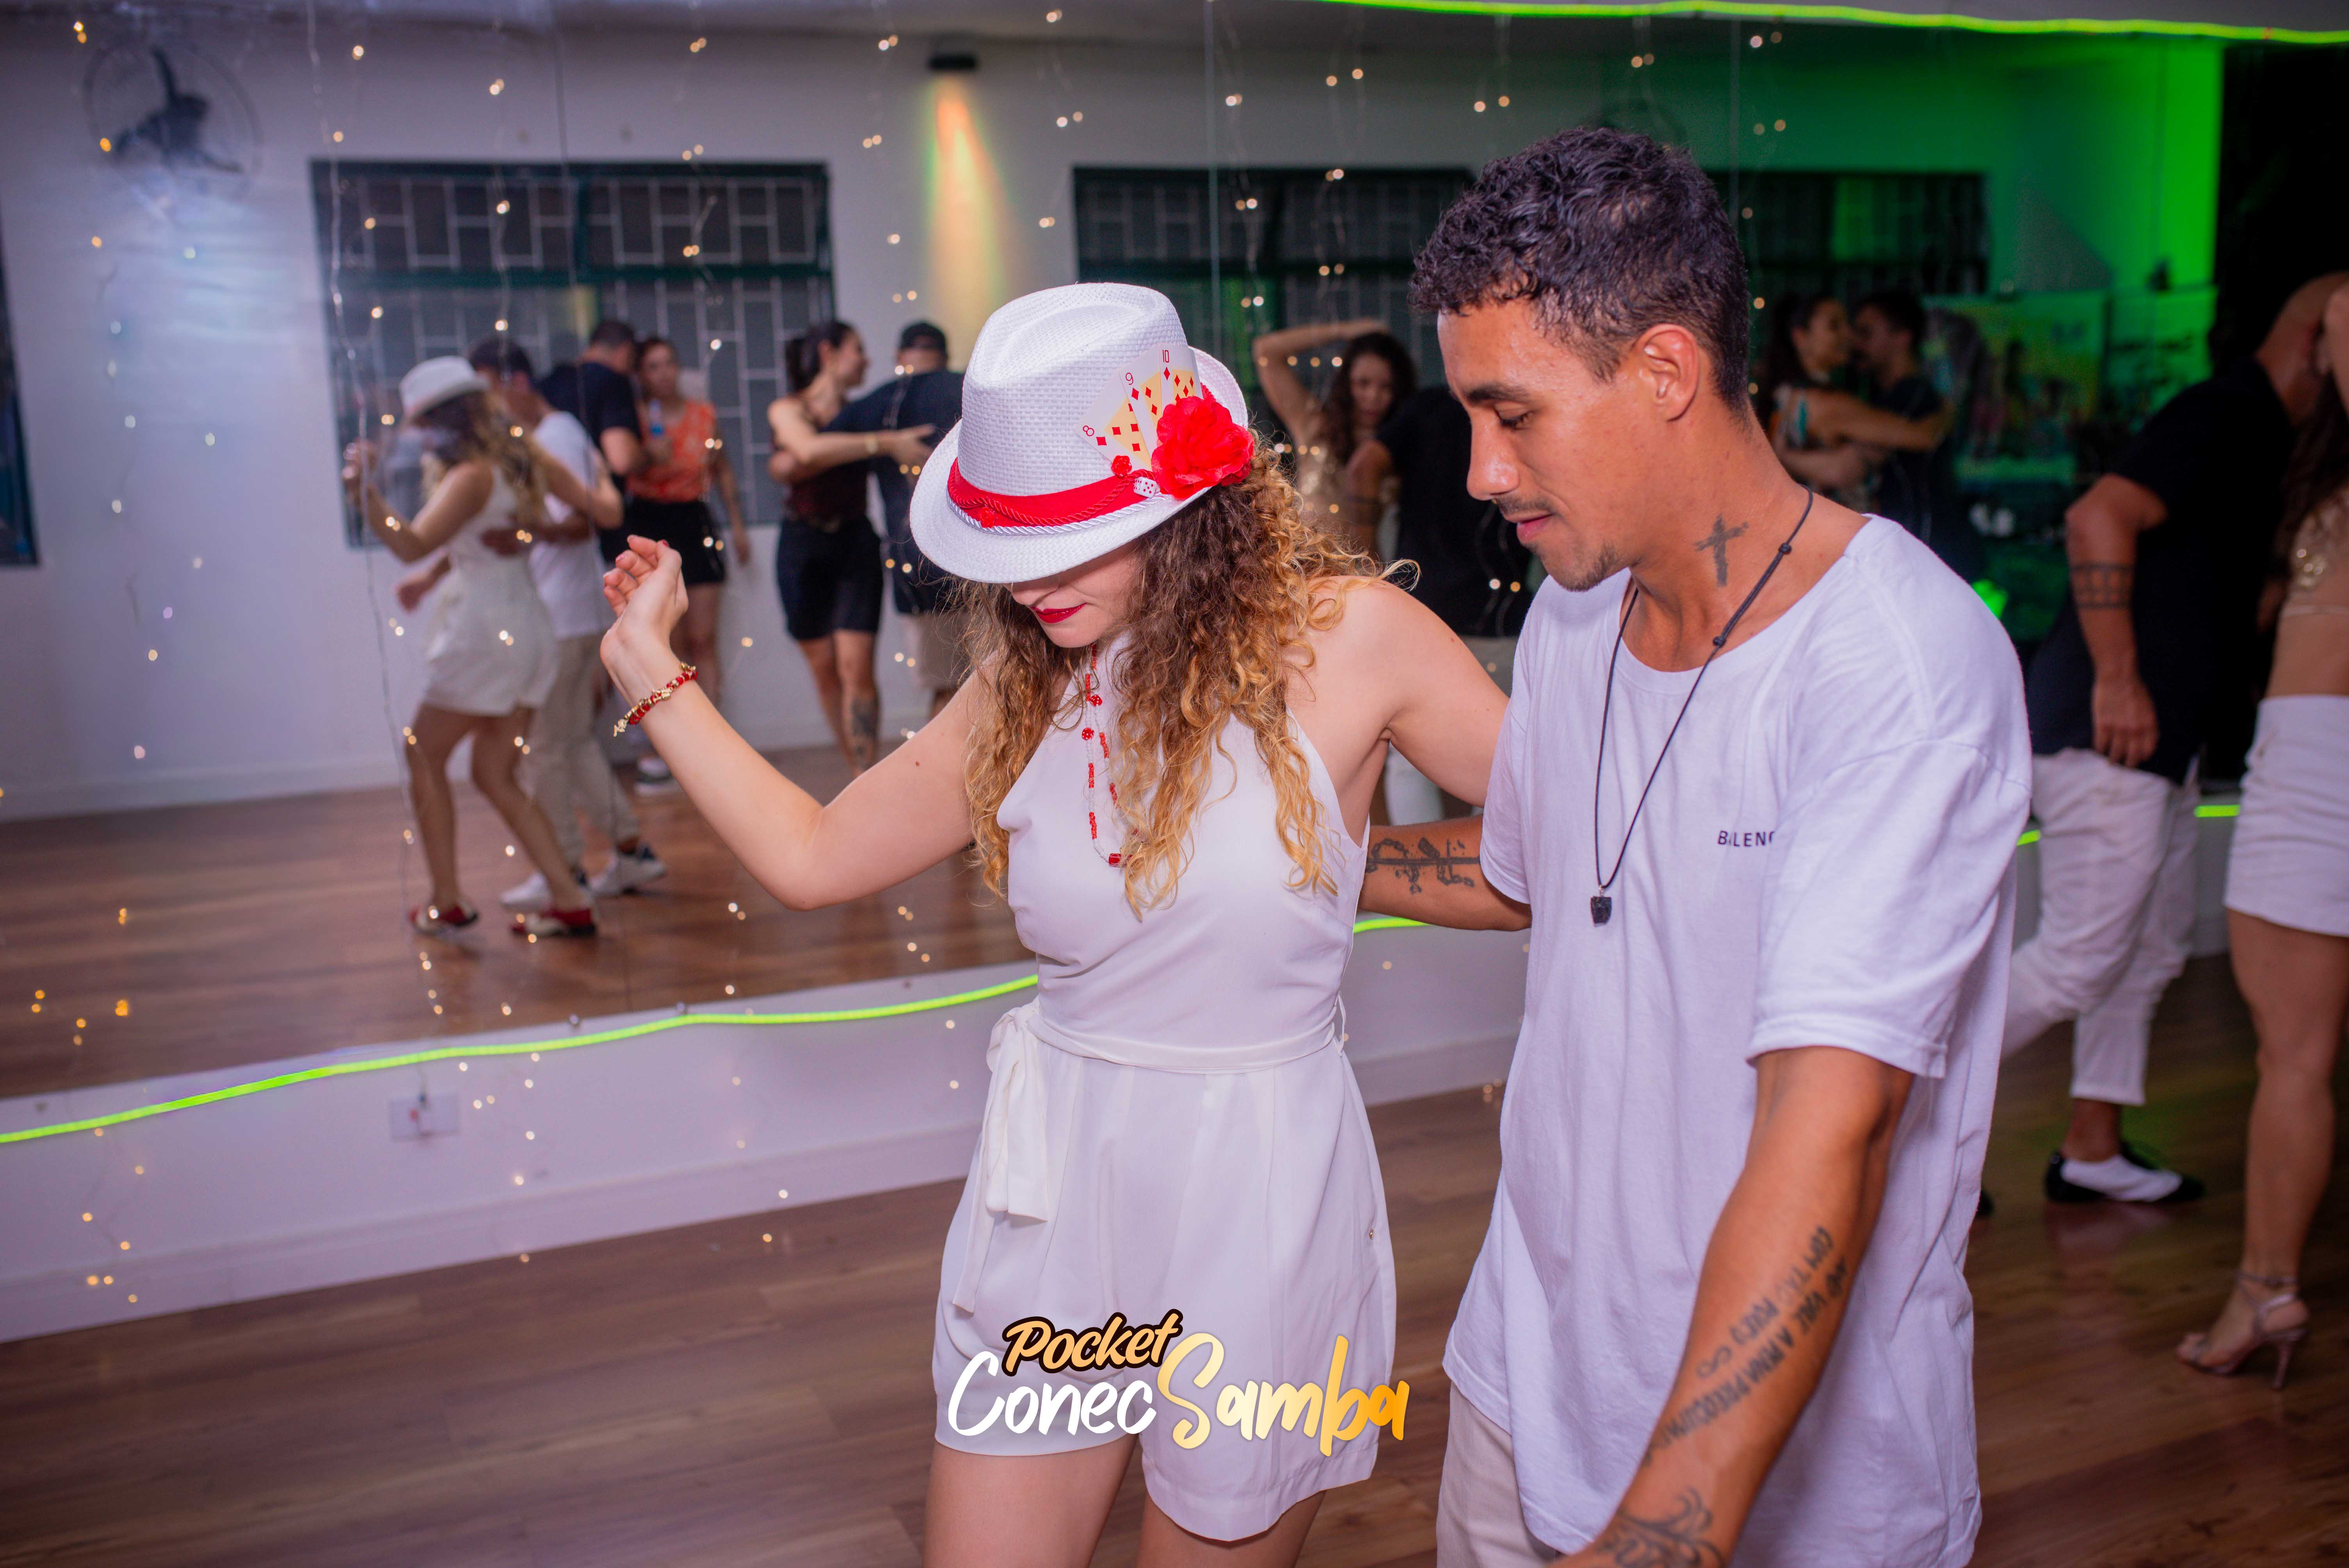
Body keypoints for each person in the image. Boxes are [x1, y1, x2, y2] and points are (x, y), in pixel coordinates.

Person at [600, 283, 1506, 1566]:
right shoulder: (1023, 679)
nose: (1030, 579)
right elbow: (812, 856)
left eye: (1073, 536)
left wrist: (1334, 867)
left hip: (1262, 1200)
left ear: (1186, 511)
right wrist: (653, 673)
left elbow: (1565, 850)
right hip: (1055, 1195)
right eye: (1012, 536)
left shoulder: (1355, 641)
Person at [1367, 127, 2028, 1568]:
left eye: (1510, 414)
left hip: (1773, 1482)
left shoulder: (1894, 669)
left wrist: (1666, 1529)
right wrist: (1316, 854)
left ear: (1664, 370)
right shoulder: (1571, 610)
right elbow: (1529, 873)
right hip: (1521, 1380)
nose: (1480, 470)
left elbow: (1828, 1127)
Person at [2003, 274, 2341, 1206]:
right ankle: (1893, 1117)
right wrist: (2118, 676)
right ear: (2317, 341)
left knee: (2149, 949)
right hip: (2112, 727)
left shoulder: (2276, 443)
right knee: (2077, 957)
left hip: (2166, 739)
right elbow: (2095, 516)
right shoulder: (2226, 410)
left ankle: (2090, 1145)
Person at [2179, 277, 2349, 1388]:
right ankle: (2265, 1285)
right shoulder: (2320, 473)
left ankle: (2267, 1288)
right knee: (2293, 1052)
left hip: (2317, 765)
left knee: (2292, 1054)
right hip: (2307, 756)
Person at [344, 357, 612, 939]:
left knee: (424, 754)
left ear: (442, 422)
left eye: (423, 424)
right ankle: (570, 897)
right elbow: (598, 511)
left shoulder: (470, 476)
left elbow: (411, 544)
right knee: (495, 772)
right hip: (527, 627)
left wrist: (362, 495)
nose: (420, 437)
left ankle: (447, 899)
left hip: (485, 634)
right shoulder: (519, 461)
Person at [451, 337, 667, 908]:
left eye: (489, 392)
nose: (487, 409)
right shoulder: (558, 434)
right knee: (568, 741)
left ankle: (564, 871)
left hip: (560, 613)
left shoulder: (550, 440)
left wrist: (523, 535)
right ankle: (629, 849)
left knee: (544, 747)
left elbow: (586, 520)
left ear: (516, 382)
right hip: (568, 610)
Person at [1345, 383, 1537, 817]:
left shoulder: (1428, 406)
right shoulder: (1516, 406)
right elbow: (1363, 468)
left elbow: (1363, 468)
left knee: (1411, 761)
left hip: (1426, 617)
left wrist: (1370, 568)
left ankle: (1418, 860)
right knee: (1501, 764)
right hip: (1493, 620)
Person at [765, 321, 932, 772]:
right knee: (825, 670)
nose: (866, 359)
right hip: (801, 546)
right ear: (829, 352)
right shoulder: (789, 408)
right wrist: (884, 444)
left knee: (857, 669)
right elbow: (804, 452)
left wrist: (800, 461)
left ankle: (864, 776)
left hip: (855, 544)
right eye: (858, 349)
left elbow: (800, 460)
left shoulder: (863, 412)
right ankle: (853, 770)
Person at [831, 321, 968, 718]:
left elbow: (810, 449)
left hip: (918, 562)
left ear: (899, 356)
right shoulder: (970, 388)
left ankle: (944, 763)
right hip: (988, 558)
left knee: (947, 691)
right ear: (945, 355)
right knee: (1002, 684)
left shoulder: (878, 403)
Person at [626, 337, 750, 712]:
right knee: (669, 639)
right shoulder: (634, 419)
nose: (664, 374)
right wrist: (647, 455)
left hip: (695, 521)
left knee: (703, 637)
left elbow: (722, 469)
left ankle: (712, 722)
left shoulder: (703, 415)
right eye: (653, 367)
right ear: (642, 375)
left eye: (669, 363)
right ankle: (679, 725)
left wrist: (738, 525)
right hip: (650, 522)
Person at [1754, 294, 1947, 506]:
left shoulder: (1788, 394)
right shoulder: (1826, 404)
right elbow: (1924, 436)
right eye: (1834, 326)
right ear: (1801, 337)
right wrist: (1949, 408)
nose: (1849, 334)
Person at [1850, 289, 1985, 583]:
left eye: (1866, 333)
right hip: (1920, 556)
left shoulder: (1914, 400)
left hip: (1930, 558)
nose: (1855, 343)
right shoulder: (1895, 398)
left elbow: (1921, 438)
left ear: (1903, 338)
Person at [1250, 317, 1416, 546]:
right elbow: (1267, 352)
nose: (1373, 397)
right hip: (1304, 562)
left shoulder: (1398, 449)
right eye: (1363, 383)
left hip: (1365, 565)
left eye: (1386, 387)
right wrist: (1345, 331)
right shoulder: (1317, 426)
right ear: (1347, 384)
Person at [538, 319, 647, 493]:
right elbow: (622, 460)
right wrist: (651, 455)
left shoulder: (550, 382)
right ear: (625, 352)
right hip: (599, 497)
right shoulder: (614, 381)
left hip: (555, 493)